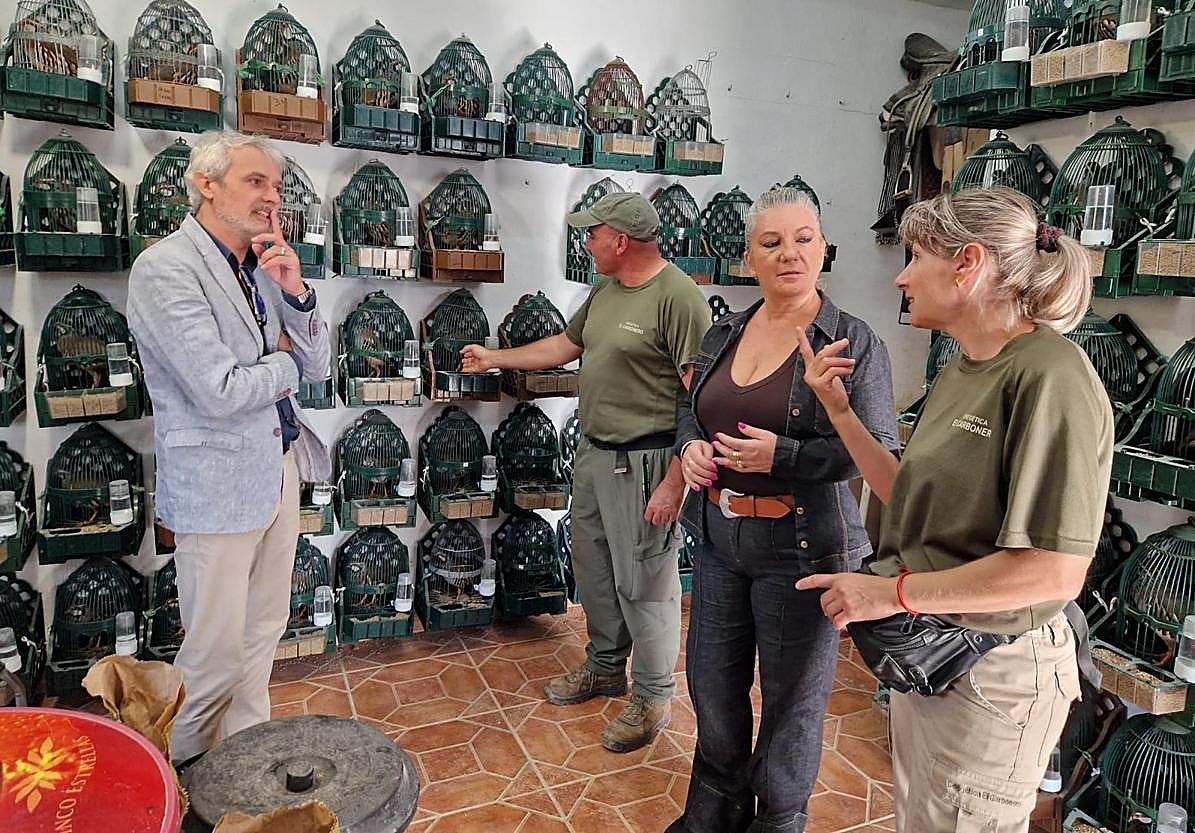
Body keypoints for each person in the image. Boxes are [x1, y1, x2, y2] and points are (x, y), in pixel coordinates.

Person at [797, 187, 1112, 833]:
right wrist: (839, 413)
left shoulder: (1050, 374)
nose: (901, 276)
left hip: (996, 672)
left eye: (915, 256)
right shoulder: (965, 365)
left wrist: (893, 593)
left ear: (967, 263)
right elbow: (907, 491)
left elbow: (1052, 573)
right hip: (939, 651)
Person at [664, 187, 898, 833]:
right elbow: (691, 409)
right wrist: (688, 449)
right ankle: (714, 810)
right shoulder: (723, 331)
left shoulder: (852, 340)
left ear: (822, 249)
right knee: (712, 685)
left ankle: (780, 819)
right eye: (770, 242)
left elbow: (875, 451)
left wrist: (784, 453)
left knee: (792, 701)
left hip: (803, 551)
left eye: (801, 238)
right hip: (718, 538)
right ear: (748, 258)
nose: (788, 253)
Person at [461, 192, 710, 752]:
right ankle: (604, 668)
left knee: (644, 582)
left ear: (621, 241)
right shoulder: (605, 290)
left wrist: (675, 482)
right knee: (594, 570)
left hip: (648, 463)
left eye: (593, 234)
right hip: (596, 456)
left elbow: (703, 401)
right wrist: (495, 357)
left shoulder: (679, 298)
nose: (586, 242)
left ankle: (652, 695)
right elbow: (565, 346)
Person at [128, 131, 331, 765]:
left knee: (263, 635)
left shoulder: (265, 267)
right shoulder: (165, 269)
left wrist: (296, 294)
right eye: (255, 182)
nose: (272, 197)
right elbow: (216, 390)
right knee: (213, 656)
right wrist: (284, 365)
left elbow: (319, 364)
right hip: (216, 485)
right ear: (206, 185)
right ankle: (186, 778)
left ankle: (245, 766)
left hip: (278, 468)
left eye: (275, 185)